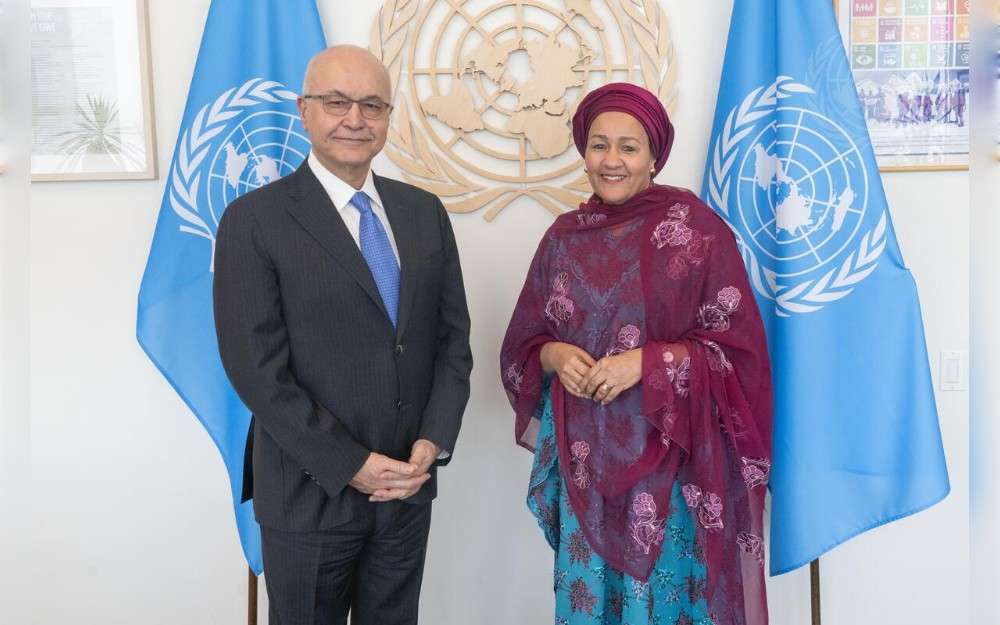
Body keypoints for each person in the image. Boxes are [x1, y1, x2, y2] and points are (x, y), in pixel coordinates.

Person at [213, 45, 472, 625]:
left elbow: (453, 344)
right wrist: (350, 462)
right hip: (310, 494)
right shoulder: (254, 221)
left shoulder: (424, 212)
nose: (355, 119)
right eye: (336, 102)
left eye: (372, 105)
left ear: (388, 116)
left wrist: (432, 443)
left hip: (406, 489)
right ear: (305, 111)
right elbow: (255, 368)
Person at [500, 83, 772, 625]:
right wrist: (553, 355)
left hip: (670, 464)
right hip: (589, 468)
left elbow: (739, 353)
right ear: (584, 153)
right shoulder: (563, 238)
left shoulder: (697, 231)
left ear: (654, 157)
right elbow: (523, 343)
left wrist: (647, 364)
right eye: (599, 145)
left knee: (665, 604)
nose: (612, 160)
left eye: (628, 147)